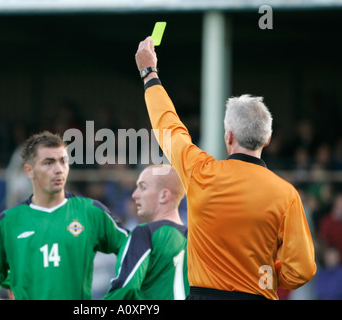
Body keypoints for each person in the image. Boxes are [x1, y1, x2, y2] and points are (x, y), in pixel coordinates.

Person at [134, 37, 316, 300]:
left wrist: (149, 73)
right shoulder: (286, 195)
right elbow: (303, 269)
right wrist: (266, 274)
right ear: (267, 139)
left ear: (228, 136)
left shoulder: (200, 172)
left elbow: (168, 129)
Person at [0, 131, 128, 300]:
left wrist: (122, 292)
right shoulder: (9, 221)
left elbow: (131, 247)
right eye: (48, 163)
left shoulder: (90, 211)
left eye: (63, 161)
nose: (58, 169)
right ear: (29, 171)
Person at [103, 164, 188, 300]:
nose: (134, 195)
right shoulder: (195, 240)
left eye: (143, 187)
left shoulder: (145, 233)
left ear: (164, 195)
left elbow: (126, 289)